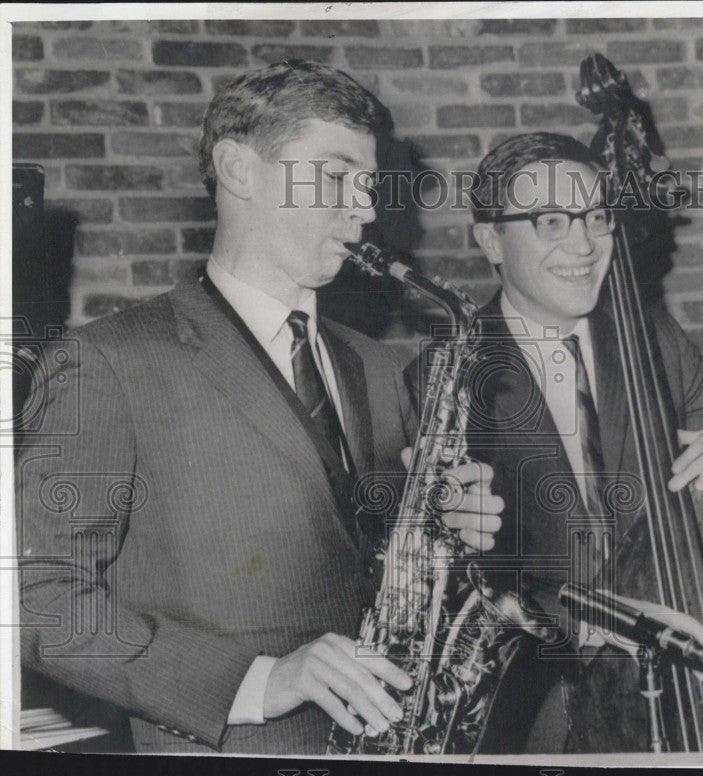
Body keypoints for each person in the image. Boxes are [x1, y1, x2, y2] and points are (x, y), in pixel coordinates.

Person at [17, 60, 502, 755]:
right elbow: (35, 599)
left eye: (368, 185)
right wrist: (257, 680)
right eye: (335, 178)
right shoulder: (110, 362)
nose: (364, 209)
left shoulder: (377, 363)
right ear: (238, 170)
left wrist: (445, 522)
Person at [449, 132, 703, 751]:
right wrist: (590, 624)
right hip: (549, 702)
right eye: (552, 221)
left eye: (596, 217)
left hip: (699, 676)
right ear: (491, 240)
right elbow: (454, 580)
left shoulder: (650, 338)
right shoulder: (449, 371)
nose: (584, 244)